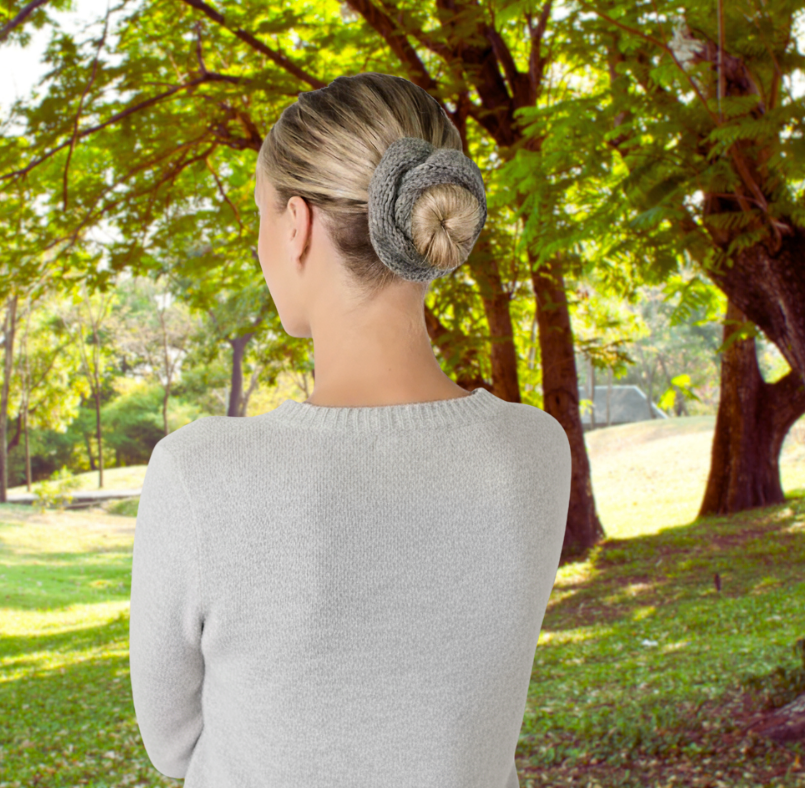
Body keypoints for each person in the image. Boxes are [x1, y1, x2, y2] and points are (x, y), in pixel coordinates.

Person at [129, 72, 572, 788]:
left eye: (261, 218)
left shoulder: (200, 474)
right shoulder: (534, 451)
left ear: (296, 226)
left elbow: (172, 744)